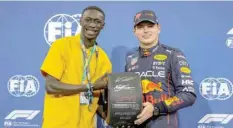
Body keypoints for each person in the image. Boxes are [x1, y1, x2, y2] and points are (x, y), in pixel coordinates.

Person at [40, 6, 112, 128]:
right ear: (81, 21)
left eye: (97, 22)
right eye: (88, 20)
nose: (92, 25)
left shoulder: (104, 59)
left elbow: (98, 101)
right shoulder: (61, 46)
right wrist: (90, 86)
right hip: (58, 124)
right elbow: (50, 86)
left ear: (103, 26)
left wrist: (114, 116)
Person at [124, 10, 196, 128]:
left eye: (150, 26)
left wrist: (155, 108)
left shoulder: (173, 54)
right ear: (134, 31)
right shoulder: (130, 59)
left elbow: (188, 95)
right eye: (141, 27)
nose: (146, 30)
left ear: (158, 28)